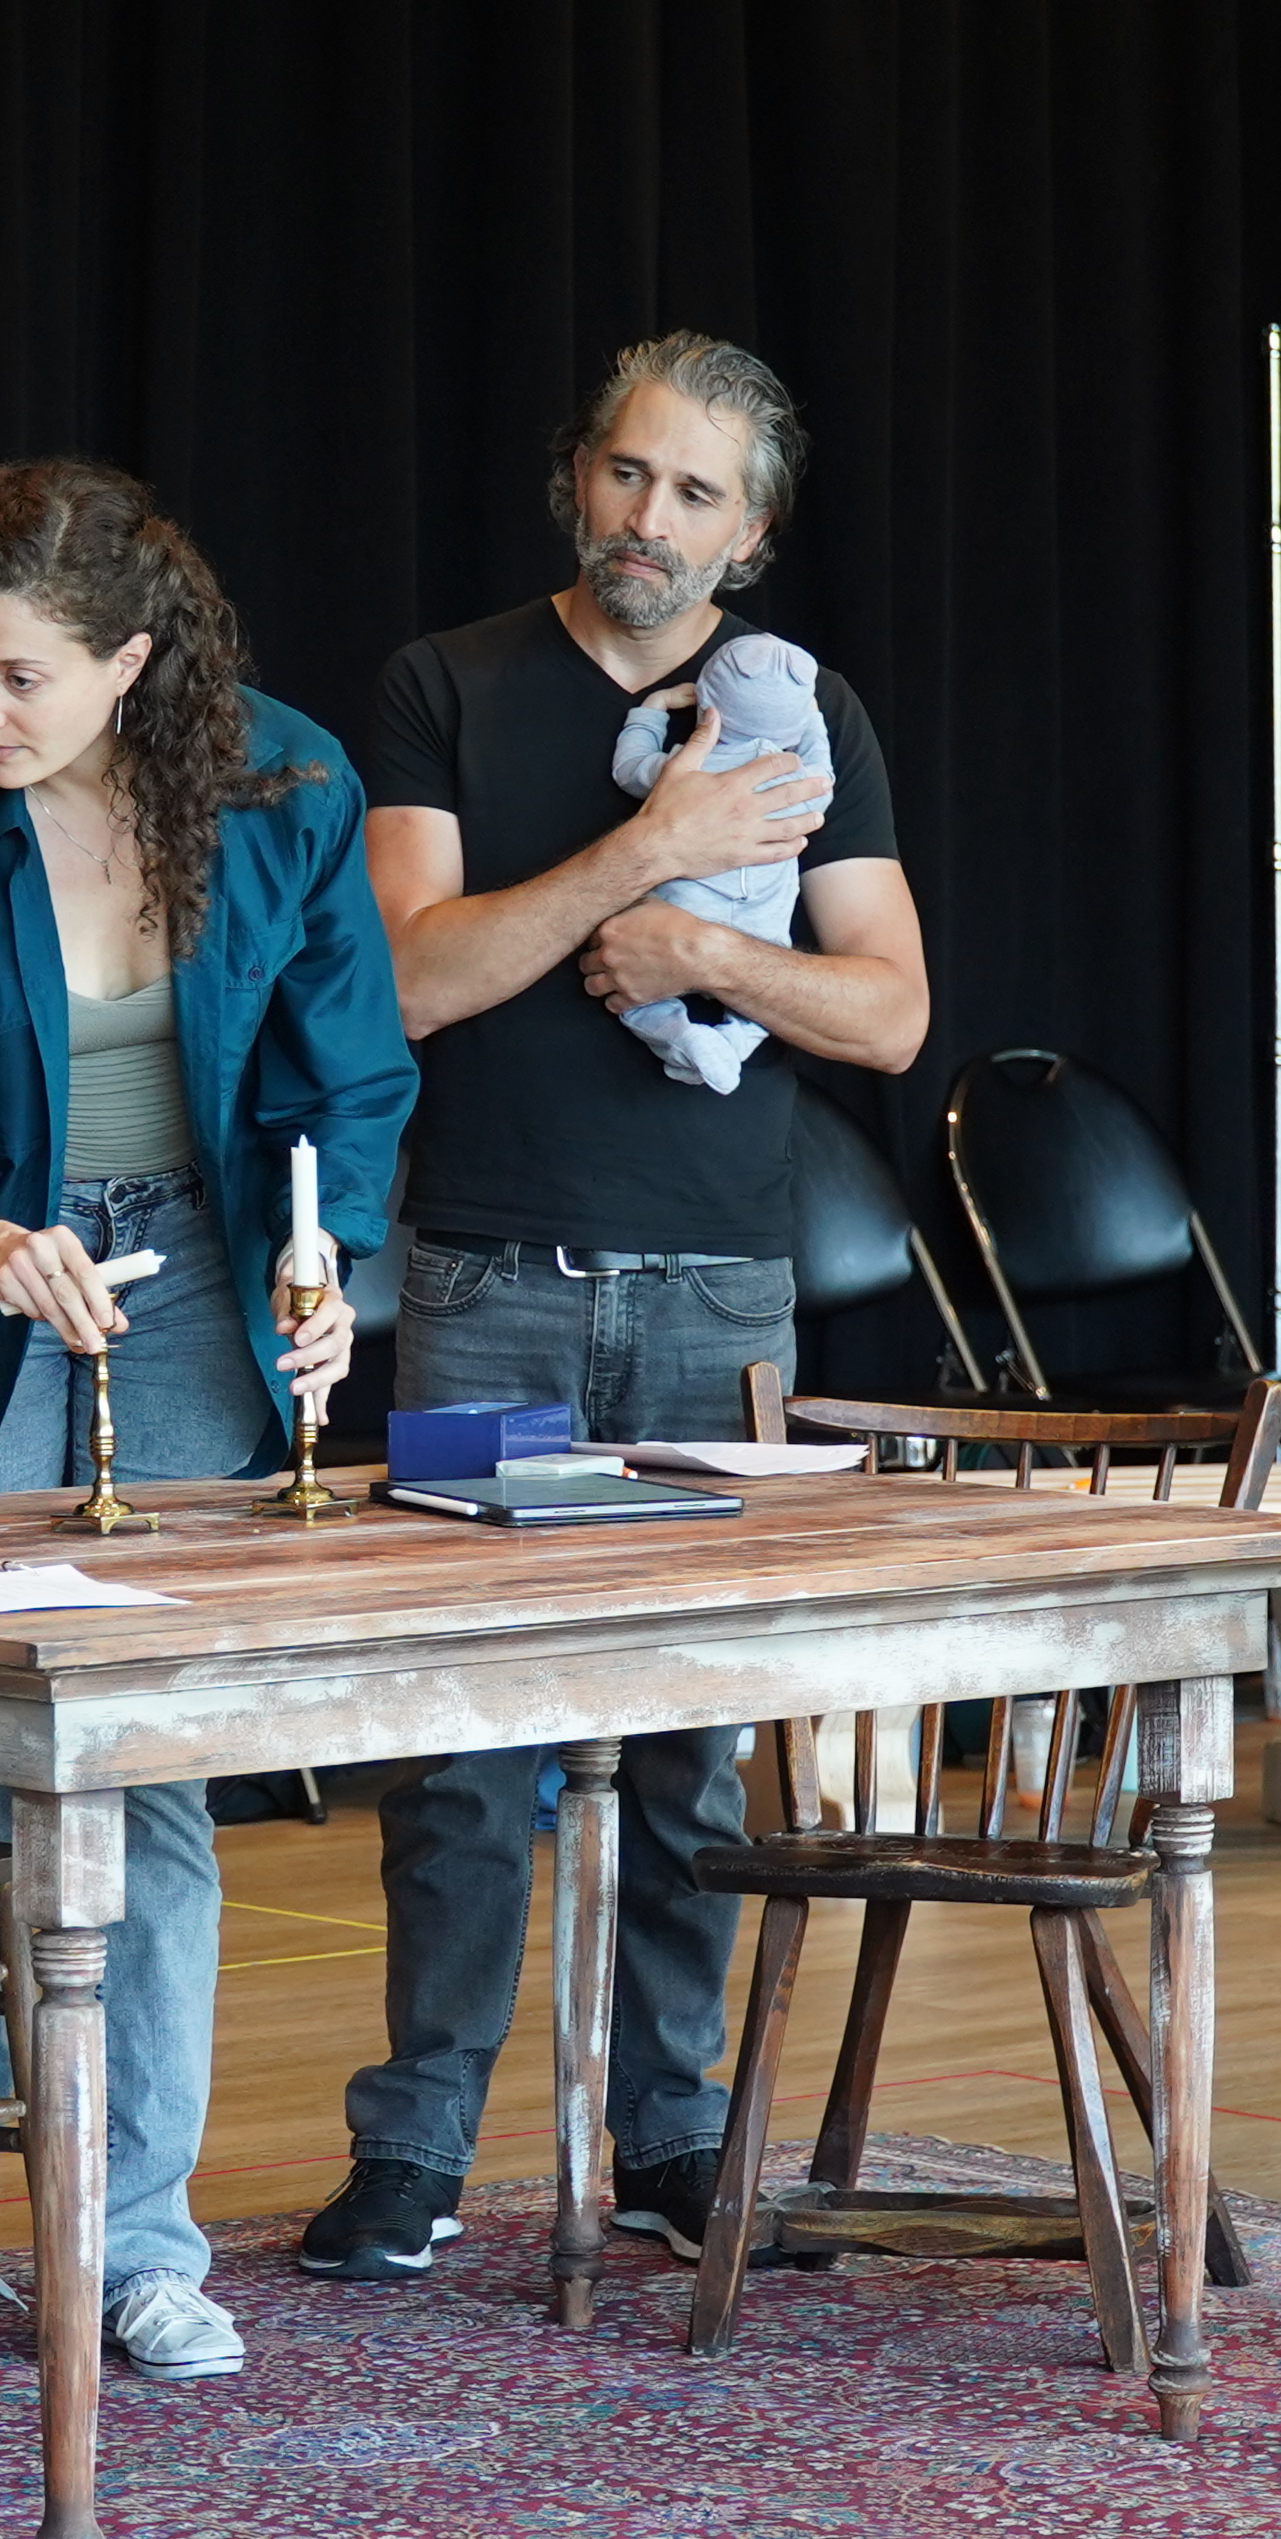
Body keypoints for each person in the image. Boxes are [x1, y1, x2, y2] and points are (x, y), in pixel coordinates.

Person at [304, 332, 927, 2283]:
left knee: (691, 1747)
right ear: (578, 475)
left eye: (697, 496)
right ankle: (416, 2146)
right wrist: (644, 857)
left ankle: (671, 2136)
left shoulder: (807, 714)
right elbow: (407, 980)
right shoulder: (443, 686)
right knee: (460, 1752)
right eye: (627, 476)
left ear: (752, 537)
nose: (650, 521)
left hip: (723, 1303)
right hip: (485, 1287)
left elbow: (892, 1016)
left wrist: (709, 964)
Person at [0, 459, 416, 2381]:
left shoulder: (290, 790)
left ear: (133, 660)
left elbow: (353, 1078)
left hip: (196, 1297)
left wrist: (332, 1273)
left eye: (20, 677)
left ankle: (137, 2232)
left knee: (149, 1781)